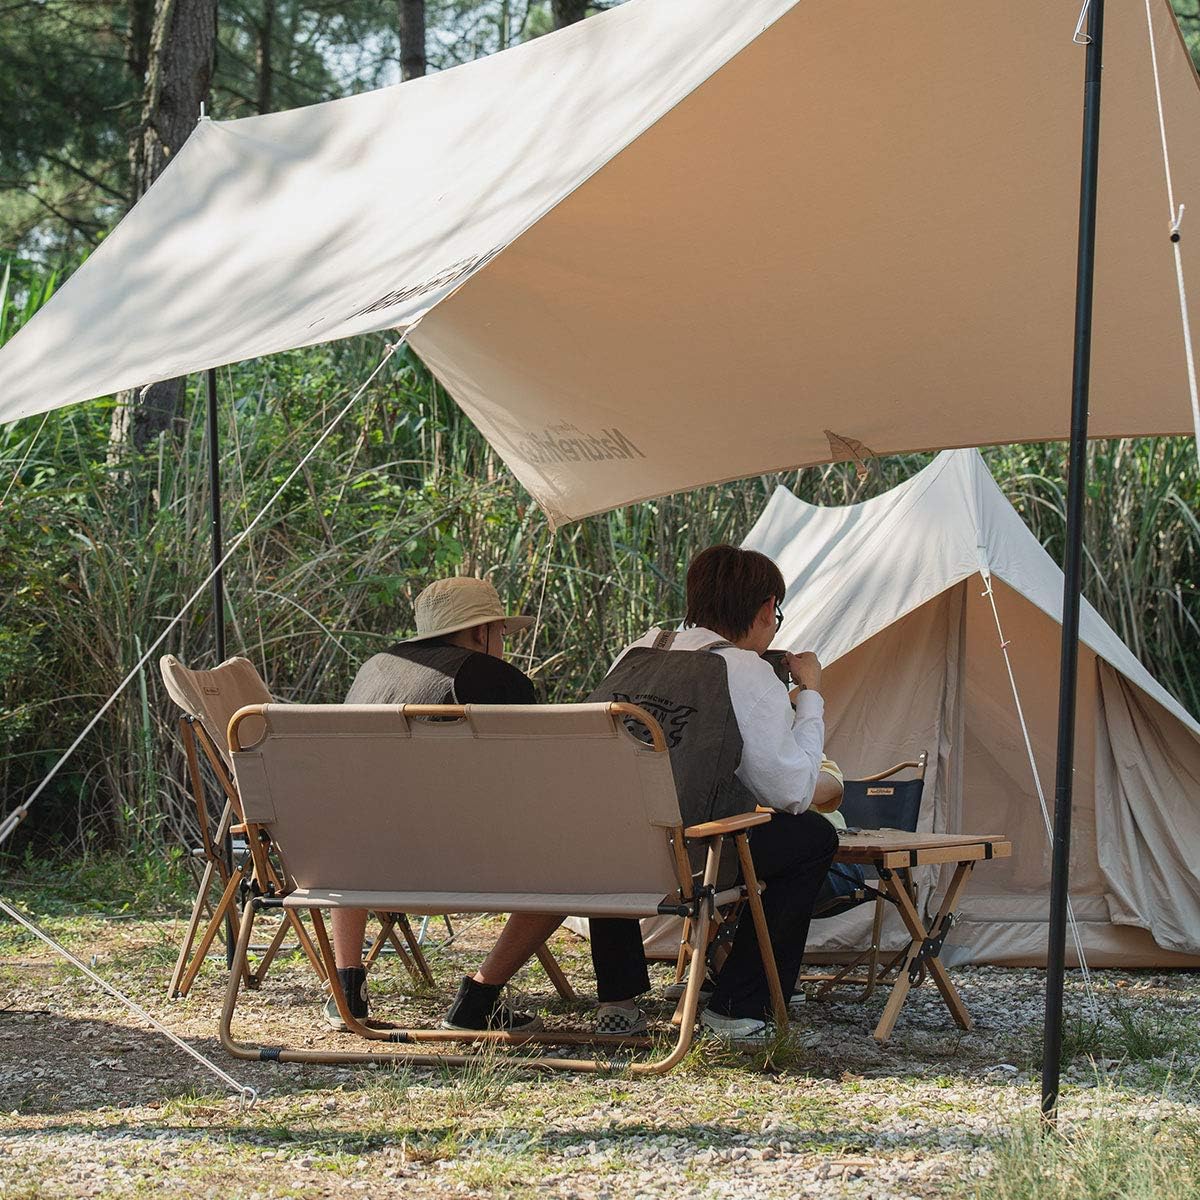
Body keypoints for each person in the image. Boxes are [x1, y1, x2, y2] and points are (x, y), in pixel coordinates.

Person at [585, 544, 839, 1042]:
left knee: (618, 808)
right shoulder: (743, 670)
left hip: (604, 852)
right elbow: (792, 792)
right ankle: (739, 1002)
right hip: (688, 855)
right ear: (767, 609)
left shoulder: (637, 652)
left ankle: (617, 998)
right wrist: (810, 697)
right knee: (810, 838)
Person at [324, 575, 563, 1034]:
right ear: (480, 633)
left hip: (358, 872)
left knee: (353, 818)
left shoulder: (374, 668)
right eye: (502, 633)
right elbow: (534, 784)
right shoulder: (497, 679)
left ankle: (346, 985)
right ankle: (479, 997)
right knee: (577, 868)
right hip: (470, 869)